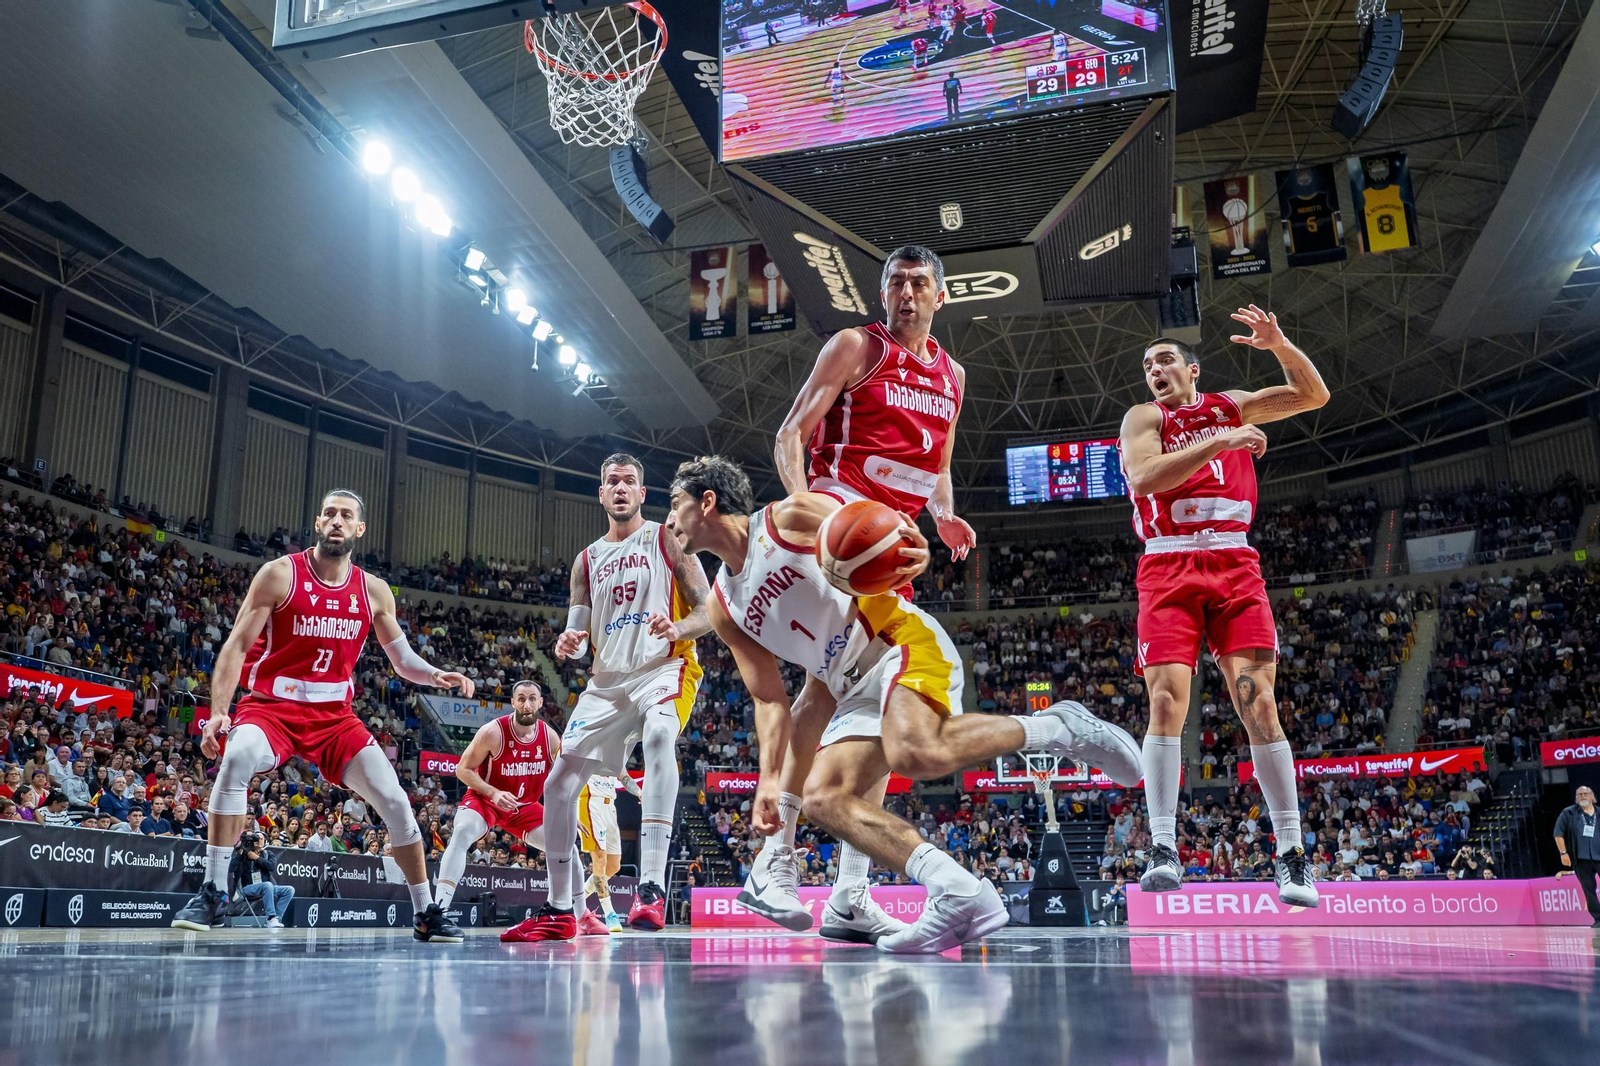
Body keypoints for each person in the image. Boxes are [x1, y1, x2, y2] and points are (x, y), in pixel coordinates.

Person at [663, 455, 1142, 953]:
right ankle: (956, 889)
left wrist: (904, 541)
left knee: (916, 752)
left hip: (897, 642)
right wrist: (770, 780)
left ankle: (1059, 728)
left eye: (675, 505)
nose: (670, 520)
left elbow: (877, 528)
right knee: (824, 798)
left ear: (708, 502)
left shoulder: (788, 518)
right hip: (844, 686)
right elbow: (769, 699)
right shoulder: (722, 605)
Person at [749, 245, 977, 929]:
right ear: (884, 295)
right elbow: (792, 433)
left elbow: (936, 461)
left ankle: (848, 891)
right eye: (896, 284)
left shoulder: (953, 376)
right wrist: (810, 518)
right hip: (843, 534)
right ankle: (774, 860)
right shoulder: (856, 345)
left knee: (875, 703)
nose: (907, 293)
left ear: (941, 295)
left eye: (919, 284)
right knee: (830, 686)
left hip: (891, 554)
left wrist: (945, 515)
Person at [170, 488, 474, 943]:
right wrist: (218, 713)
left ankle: (426, 912)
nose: (336, 520)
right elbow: (234, 646)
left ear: (359, 529)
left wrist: (436, 675)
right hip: (272, 708)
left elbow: (402, 659)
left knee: (395, 802)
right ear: (317, 523)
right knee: (234, 761)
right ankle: (214, 891)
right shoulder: (278, 575)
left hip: (335, 718)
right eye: (329, 513)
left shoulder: (373, 590)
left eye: (345, 515)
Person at [1120, 308, 1330, 908]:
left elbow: (1312, 395)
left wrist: (1281, 342)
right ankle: (1162, 845)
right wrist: (1223, 439)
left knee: (1258, 702)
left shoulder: (1229, 403)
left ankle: (1291, 854)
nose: (1154, 371)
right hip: (1168, 565)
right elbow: (1145, 478)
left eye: (1164, 361)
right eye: (1147, 366)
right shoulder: (1145, 417)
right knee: (1165, 701)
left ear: (1191, 368)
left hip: (1234, 564)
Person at [503, 455, 710, 942]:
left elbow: (711, 611)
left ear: (642, 493)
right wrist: (569, 641)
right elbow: (577, 624)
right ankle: (559, 910)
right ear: (601, 494)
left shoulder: (666, 539)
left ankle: (652, 888)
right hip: (606, 683)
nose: (620, 488)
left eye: (630, 482)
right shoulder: (586, 560)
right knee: (557, 786)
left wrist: (677, 626)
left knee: (661, 735)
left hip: (663, 666)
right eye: (612, 481)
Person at [435, 681, 556, 919]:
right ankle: (438, 911)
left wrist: (569, 813)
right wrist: (493, 793)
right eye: (521, 699)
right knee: (461, 831)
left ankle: (567, 912)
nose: (527, 704)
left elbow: (561, 782)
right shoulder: (493, 731)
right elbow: (462, 770)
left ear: (540, 703)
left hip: (524, 806)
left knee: (564, 846)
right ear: (513, 703)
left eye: (532, 699)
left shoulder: (550, 738)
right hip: (487, 798)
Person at [578, 771, 644, 932]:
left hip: (610, 807)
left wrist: (639, 792)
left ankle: (575, 900)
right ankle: (610, 914)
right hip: (590, 802)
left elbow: (625, 778)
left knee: (614, 866)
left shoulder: (616, 750)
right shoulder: (588, 746)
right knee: (600, 861)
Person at [1554, 785, 1600, 926]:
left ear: (1592, 796)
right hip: (1580, 858)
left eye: (1586, 793)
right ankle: (1598, 918)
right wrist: (1563, 853)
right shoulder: (1568, 813)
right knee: (1588, 889)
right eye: (1579, 794)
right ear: (1576, 798)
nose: (1583, 796)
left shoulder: (1599, 812)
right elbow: (1558, 834)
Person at [231, 831, 295, 929]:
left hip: (266, 888)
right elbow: (232, 868)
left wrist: (256, 858)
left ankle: (276, 918)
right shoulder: (243, 854)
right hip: (247, 888)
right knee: (267, 885)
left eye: (261, 839)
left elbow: (271, 866)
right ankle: (270, 917)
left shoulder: (267, 854)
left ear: (265, 841)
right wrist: (240, 852)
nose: (258, 840)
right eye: (256, 838)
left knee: (289, 890)